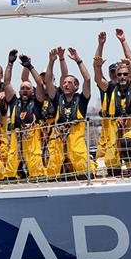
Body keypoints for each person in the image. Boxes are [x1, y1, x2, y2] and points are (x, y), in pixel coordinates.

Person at [45, 47, 97, 179]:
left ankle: (90, 168)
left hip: (76, 139)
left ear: (76, 86)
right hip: (58, 138)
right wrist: (51, 61)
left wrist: (78, 61)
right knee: (52, 168)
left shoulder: (82, 99)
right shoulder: (58, 98)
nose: (66, 85)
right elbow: (48, 81)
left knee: (83, 167)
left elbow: (88, 80)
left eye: (69, 82)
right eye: (64, 82)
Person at [3, 51, 50, 180]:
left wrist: (29, 66)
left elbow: (40, 84)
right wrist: (10, 63)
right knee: (11, 167)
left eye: (27, 88)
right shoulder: (13, 101)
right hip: (15, 138)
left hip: (32, 138)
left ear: (33, 91)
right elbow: (6, 83)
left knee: (36, 169)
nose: (24, 90)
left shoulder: (37, 101)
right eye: (22, 88)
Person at [94, 55, 131, 177]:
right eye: (119, 74)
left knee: (127, 141)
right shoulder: (111, 88)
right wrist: (98, 65)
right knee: (112, 166)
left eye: (125, 74)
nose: (122, 77)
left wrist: (123, 42)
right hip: (113, 129)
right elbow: (98, 79)